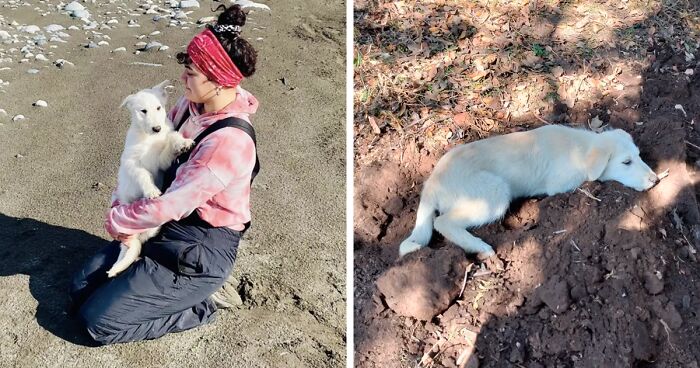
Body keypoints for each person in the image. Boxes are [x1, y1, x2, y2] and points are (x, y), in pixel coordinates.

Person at [68, 4, 259, 345]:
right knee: (79, 288)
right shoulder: (190, 105)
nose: (183, 79)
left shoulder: (228, 142)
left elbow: (170, 205)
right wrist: (120, 201)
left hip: (200, 245)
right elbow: (145, 157)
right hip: (165, 222)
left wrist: (119, 219)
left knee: (97, 323)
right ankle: (152, 280)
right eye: (186, 68)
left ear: (217, 82)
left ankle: (201, 304)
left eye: (192, 73)